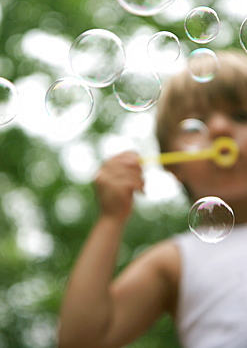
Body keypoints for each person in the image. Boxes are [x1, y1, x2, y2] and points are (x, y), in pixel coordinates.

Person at [58, 50, 247, 348]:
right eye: (197, 124)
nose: (221, 129)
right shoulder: (178, 259)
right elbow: (83, 340)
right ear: (174, 165)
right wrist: (111, 217)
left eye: (241, 116)